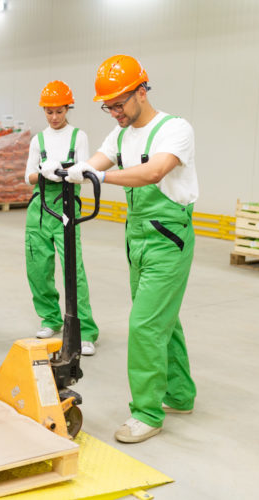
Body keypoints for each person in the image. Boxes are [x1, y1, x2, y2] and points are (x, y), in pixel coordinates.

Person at [66, 55, 198, 443]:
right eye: (107, 106)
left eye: (119, 103)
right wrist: (70, 168)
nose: (114, 112)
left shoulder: (174, 128)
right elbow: (95, 160)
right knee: (163, 321)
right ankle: (180, 394)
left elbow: (155, 172)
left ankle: (146, 412)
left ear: (142, 91)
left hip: (168, 237)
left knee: (144, 324)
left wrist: (98, 175)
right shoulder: (120, 135)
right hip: (136, 237)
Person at [24, 81, 99, 356]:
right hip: (39, 208)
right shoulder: (38, 140)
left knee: (73, 270)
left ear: (68, 108)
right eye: (49, 112)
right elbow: (27, 176)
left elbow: (86, 172)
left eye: (59, 111)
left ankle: (86, 330)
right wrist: (43, 172)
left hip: (67, 207)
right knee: (38, 268)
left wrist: (64, 173)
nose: (54, 117)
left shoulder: (78, 136)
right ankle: (50, 318)